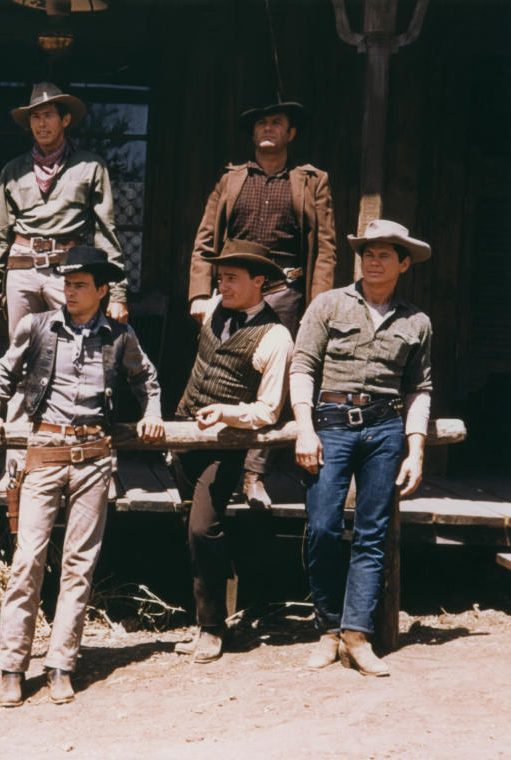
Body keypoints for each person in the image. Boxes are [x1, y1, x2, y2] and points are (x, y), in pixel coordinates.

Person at [0, 246, 164, 706]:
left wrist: (153, 411)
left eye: (81, 284)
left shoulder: (120, 335)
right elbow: (4, 371)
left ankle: (61, 663)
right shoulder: (38, 326)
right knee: (28, 560)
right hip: (44, 450)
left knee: (79, 565)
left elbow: (147, 379)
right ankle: (11, 666)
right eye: (67, 282)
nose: (70, 291)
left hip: (95, 457)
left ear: (102, 290)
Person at [291, 219, 432, 677]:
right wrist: (304, 429)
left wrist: (416, 448)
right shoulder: (328, 304)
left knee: (372, 533)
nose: (373, 261)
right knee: (324, 527)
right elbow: (303, 367)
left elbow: (419, 388)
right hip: (330, 425)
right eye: (367, 253)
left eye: (384, 254)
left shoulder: (417, 321)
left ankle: (357, 636)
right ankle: (327, 631)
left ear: (403, 263)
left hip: (386, 429)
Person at [188, 99, 337, 508]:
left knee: (275, 381)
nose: (268, 128)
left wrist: (317, 305)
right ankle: (198, 460)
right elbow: (205, 241)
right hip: (231, 289)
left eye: (277, 122)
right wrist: (202, 294)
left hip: (285, 292)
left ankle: (255, 474)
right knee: (222, 371)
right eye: (261, 123)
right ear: (253, 134)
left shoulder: (311, 181)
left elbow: (324, 248)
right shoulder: (231, 180)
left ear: (291, 134)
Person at [171, 240, 294, 663]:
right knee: (192, 529)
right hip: (185, 435)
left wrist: (227, 413)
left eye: (232, 278)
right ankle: (201, 619)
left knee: (204, 527)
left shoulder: (276, 337)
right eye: (220, 276)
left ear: (259, 282)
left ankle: (212, 629)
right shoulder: (211, 309)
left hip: (227, 446)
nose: (222, 284)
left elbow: (269, 410)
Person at [0, 81, 129, 338]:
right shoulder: (13, 171)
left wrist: (118, 293)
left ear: (65, 120)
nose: (41, 124)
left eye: (48, 116)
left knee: (75, 346)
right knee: (21, 351)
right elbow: (0, 235)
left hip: (67, 270)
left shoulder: (90, 167)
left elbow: (105, 232)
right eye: (35, 117)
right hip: (21, 268)